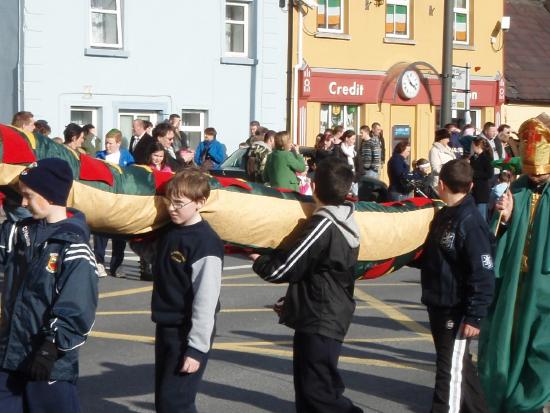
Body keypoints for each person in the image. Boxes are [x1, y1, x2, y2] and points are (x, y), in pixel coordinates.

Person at [250, 156, 363, 413]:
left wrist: (259, 259)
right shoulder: (346, 218)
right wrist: (293, 303)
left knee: (318, 393)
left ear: (313, 187)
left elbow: (286, 268)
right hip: (324, 312)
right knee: (311, 390)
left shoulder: (323, 223)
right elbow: (319, 273)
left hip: (321, 318)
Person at [0, 158, 98, 413]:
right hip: (9, 355)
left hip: (47, 363)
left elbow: (77, 305)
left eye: (28, 196)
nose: (22, 202)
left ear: (50, 195)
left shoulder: (73, 244)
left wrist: (51, 347)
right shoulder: (18, 233)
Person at [478, 113, 550, 413]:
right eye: (531, 174)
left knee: (541, 347)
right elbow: (499, 230)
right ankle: (505, 395)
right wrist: (505, 218)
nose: (535, 179)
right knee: (505, 339)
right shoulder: (518, 188)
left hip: (544, 285)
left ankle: (530, 400)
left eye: (541, 176)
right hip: (514, 283)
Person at [412, 159, 495, 413]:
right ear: (470, 186)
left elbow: (483, 272)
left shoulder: (470, 222)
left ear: (440, 184)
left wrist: (474, 315)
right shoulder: (444, 215)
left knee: (449, 373)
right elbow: (434, 258)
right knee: (461, 369)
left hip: (456, 310)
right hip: (438, 302)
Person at [152, 168, 223, 413]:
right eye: (169, 201)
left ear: (200, 203)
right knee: (165, 401)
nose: (171, 208)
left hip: (187, 332)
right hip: (166, 327)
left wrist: (196, 349)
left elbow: (206, 302)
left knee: (177, 403)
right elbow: (157, 258)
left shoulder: (205, 242)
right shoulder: (171, 231)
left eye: (179, 203)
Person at [93, 129, 134, 278]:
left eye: (110, 143)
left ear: (118, 143)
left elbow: (131, 177)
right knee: (100, 234)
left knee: (119, 235)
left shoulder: (127, 158)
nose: (107, 146)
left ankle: (117, 266)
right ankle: (99, 263)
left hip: (120, 201)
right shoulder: (99, 156)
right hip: (103, 199)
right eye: (106, 143)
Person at [469, 137, 494, 221]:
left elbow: (489, 174)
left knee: (481, 217)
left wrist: (474, 173)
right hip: (473, 190)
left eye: (473, 146)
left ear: (478, 146)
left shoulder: (486, 158)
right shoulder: (473, 158)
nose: (472, 148)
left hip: (482, 191)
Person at [334, 129, 364, 197]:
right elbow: (336, 163)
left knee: (354, 199)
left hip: (354, 181)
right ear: (347, 138)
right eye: (353, 139)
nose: (354, 141)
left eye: (354, 139)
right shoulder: (338, 148)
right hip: (342, 180)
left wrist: (355, 179)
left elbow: (360, 166)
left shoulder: (354, 150)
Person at [429, 128, 456, 192]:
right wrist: (450, 168)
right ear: (441, 139)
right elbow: (435, 169)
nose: (448, 140)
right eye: (447, 138)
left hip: (449, 182)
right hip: (439, 183)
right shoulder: (434, 150)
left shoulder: (448, 149)